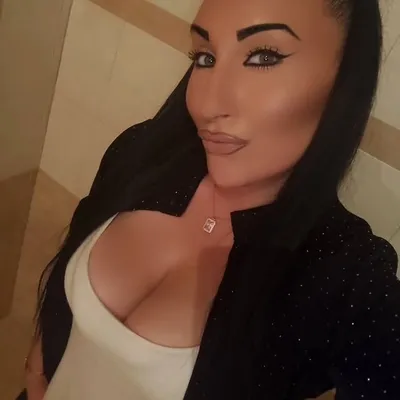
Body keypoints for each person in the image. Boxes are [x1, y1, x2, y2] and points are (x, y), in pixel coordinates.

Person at [20, 0, 400, 399]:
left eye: (263, 56)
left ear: (346, 79)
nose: (206, 105)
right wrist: (40, 356)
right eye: (205, 57)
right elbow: (76, 243)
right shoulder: (143, 152)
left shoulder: (342, 274)